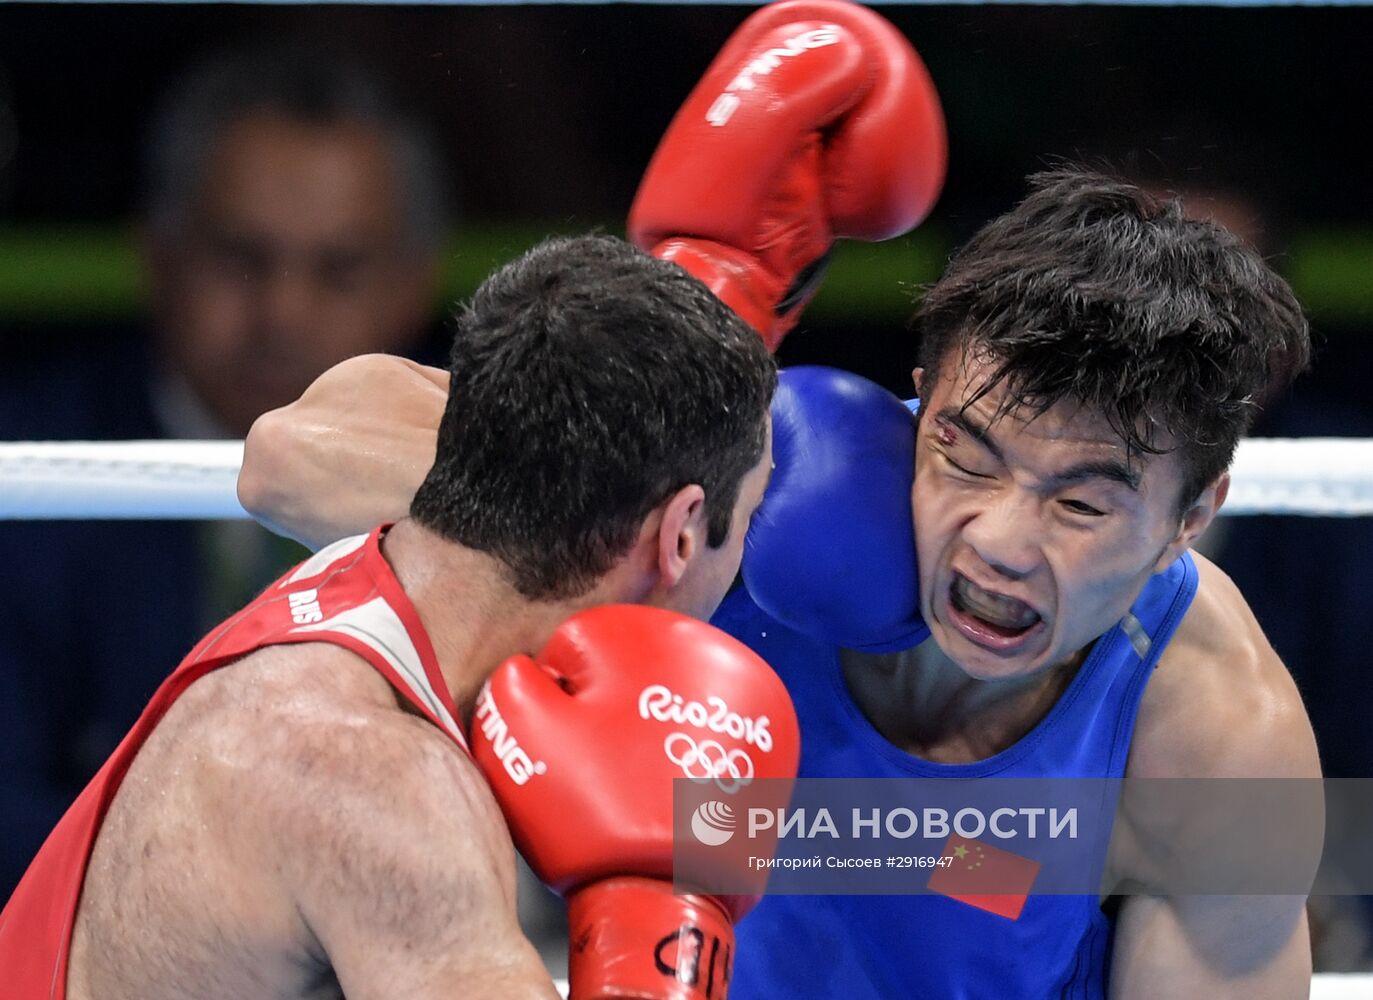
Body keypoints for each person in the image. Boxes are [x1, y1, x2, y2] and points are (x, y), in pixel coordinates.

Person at [236, 3, 1321, 996]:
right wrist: (667, 410)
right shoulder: (755, 497)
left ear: (1193, 510)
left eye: (1079, 506)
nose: (996, 541)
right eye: (966, 454)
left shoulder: (1210, 722)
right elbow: (289, 461)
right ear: (918, 399)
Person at [0, 234, 799, 1000]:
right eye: (753, 518)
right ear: (682, 533)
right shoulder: (388, 800)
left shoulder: (386, 553)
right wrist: (664, 946)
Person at [0, 40, 448, 896]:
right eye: (242, 259)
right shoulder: (29, 470)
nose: (282, 312)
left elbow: (754, 838)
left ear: (412, 282)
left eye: (338, 268)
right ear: (158, 256)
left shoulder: (520, 466)